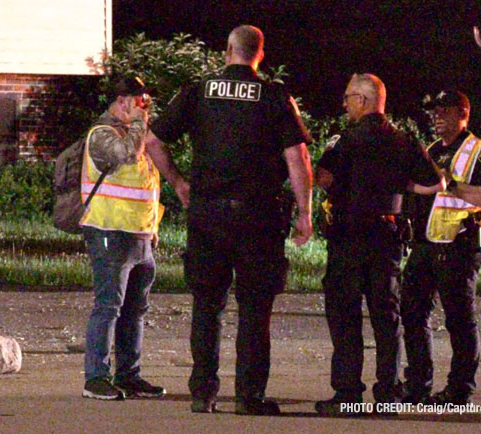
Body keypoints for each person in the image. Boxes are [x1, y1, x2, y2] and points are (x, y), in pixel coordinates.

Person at [144, 25, 313, 416]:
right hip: (259, 217)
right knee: (256, 309)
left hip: (208, 213)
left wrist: (180, 185)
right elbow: (297, 158)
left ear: (227, 51)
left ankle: (203, 393)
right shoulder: (274, 95)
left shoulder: (199, 91)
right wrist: (304, 212)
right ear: (260, 55)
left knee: (207, 304)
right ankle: (249, 396)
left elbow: (153, 140)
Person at [314, 73, 444, 417]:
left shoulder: (343, 140)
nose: (344, 104)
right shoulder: (404, 140)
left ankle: (347, 395)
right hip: (386, 237)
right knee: (386, 319)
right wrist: (400, 187)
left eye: (347, 98)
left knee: (345, 316)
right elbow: (434, 183)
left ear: (363, 100)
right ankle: (388, 394)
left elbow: (322, 179)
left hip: (347, 236)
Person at [401, 90, 481, 405]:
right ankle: (418, 385)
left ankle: (459, 390)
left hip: (460, 245)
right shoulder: (430, 150)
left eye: (444, 110)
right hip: (426, 245)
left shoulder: (479, 153)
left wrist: (453, 184)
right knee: (413, 314)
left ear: (464, 114)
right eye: (434, 111)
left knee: (458, 320)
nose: (437, 116)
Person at [80, 76, 167, 401]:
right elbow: (128, 156)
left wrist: (152, 230)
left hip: (140, 237)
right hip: (109, 232)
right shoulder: (101, 135)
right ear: (122, 100)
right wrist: (140, 123)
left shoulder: (135, 135)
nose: (146, 109)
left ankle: (129, 375)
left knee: (135, 310)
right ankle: (96, 379)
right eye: (140, 102)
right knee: (108, 307)